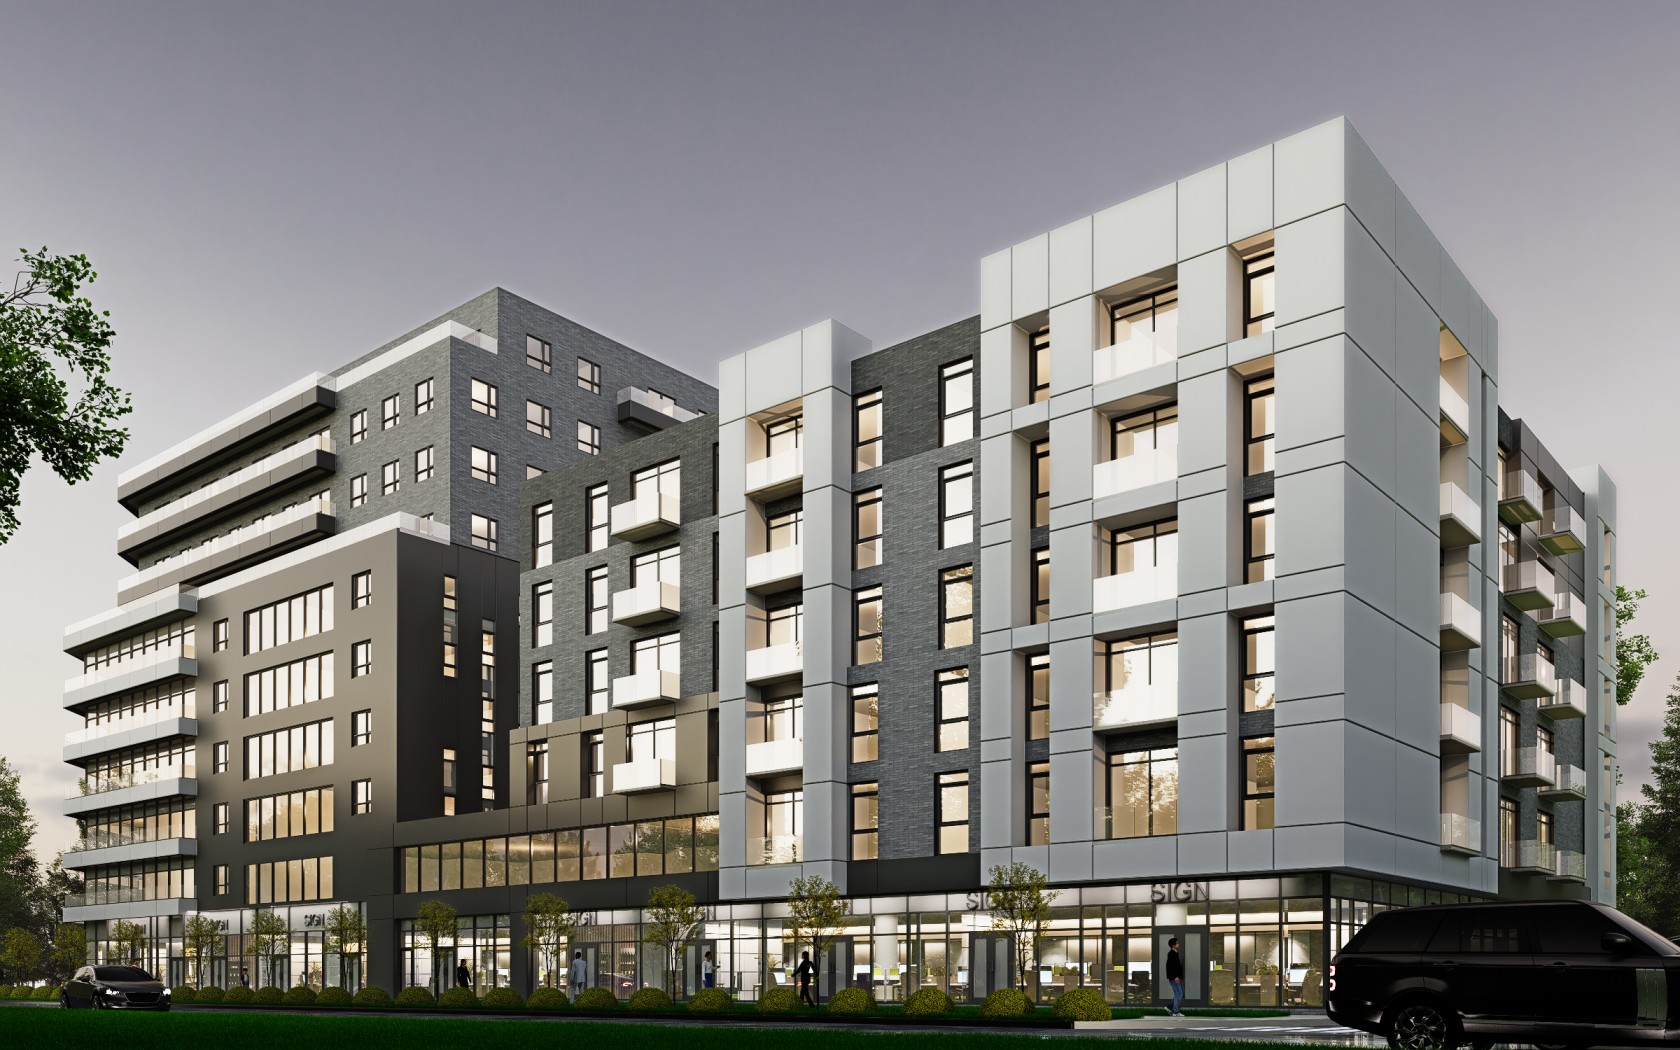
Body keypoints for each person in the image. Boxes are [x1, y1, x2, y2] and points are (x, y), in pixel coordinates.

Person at [1166, 937, 1185, 1017]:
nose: (1178, 944)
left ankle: (1169, 1007)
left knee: (1181, 994)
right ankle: (1175, 1012)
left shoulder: (1175, 953)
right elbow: (1170, 967)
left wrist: (1181, 977)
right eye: (1177, 943)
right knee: (1179, 994)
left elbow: (1177, 967)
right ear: (1173, 945)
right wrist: (1175, 977)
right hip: (1174, 978)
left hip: (1178, 978)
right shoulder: (1171, 954)